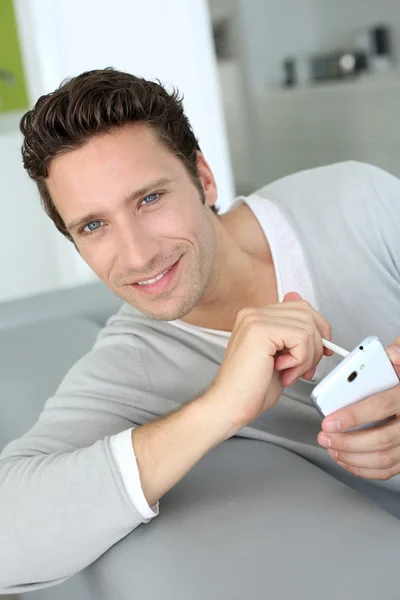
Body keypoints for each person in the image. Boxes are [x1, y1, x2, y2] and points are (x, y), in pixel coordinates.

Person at [1, 67, 400, 594]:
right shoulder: (132, 365)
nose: (139, 254)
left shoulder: (357, 200)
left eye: (149, 199)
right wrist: (220, 408)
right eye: (93, 226)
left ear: (203, 179)